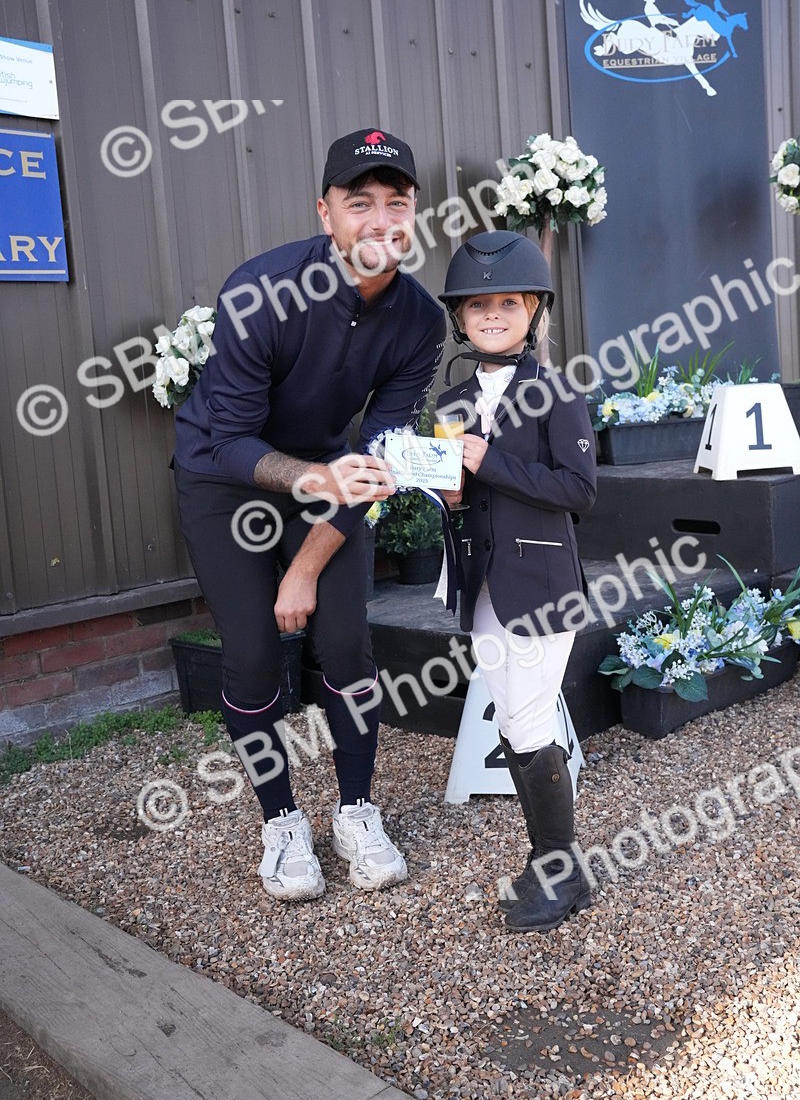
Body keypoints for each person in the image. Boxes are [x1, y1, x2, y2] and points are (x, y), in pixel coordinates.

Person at [172, 128, 446, 901]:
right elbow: (226, 440)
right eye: (360, 203)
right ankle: (281, 820)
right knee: (255, 654)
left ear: (415, 213)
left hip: (333, 479)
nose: (380, 221)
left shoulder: (421, 320)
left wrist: (304, 565)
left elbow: (378, 460)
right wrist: (320, 477)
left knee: (346, 643)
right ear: (325, 214)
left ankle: (357, 810)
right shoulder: (261, 293)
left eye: (397, 203)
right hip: (225, 476)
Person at [435, 230, 597, 932]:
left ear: (533, 309)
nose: (492, 315)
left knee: (528, 718)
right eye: (478, 306)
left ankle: (558, 867)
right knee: (512, 716)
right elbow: (462, 492)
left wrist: (488, 458)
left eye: (508, 302)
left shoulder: (556, 391)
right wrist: (446, 490)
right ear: (461, 318)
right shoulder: (453, 398)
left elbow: (578, 489)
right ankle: (555, 865)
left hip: (543, 581)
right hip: (483, 582)